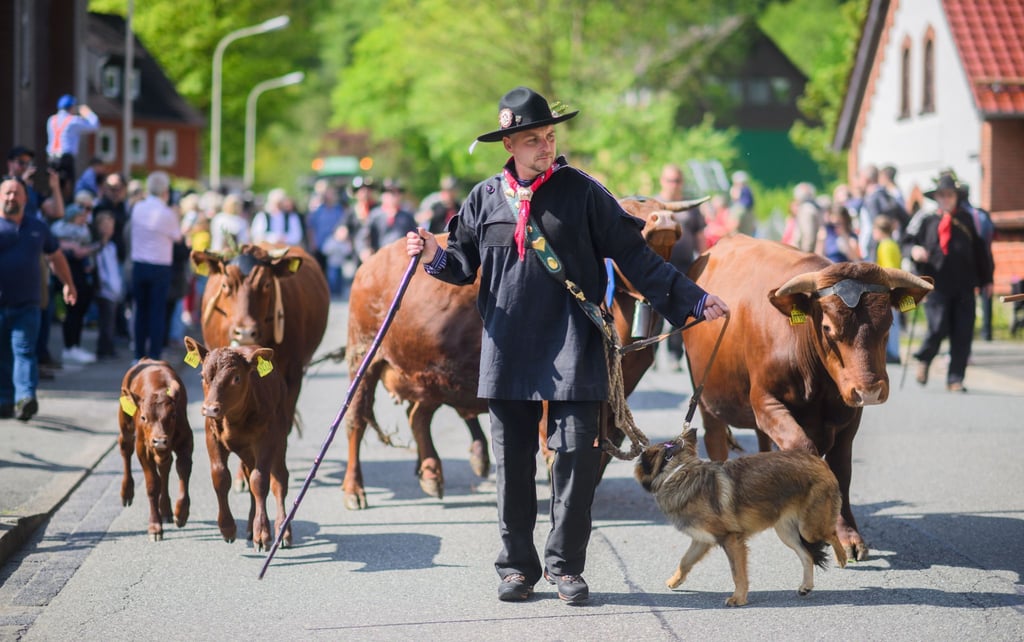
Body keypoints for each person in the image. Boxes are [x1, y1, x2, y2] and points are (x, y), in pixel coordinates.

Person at [405, 86, 729, 604]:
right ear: (509, 144)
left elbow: (636, 257)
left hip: (575, 342)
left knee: (578, 458)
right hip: (507, 346)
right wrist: (429, 254)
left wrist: (693, 300)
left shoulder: (583, 192)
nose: (545, 146)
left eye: (549, 136)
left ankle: (565, 567)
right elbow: (462, 266)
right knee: (512, 464)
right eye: (533, 139)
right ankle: (516, 569)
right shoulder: (485, 198)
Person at [905, 171, 993, 393]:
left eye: (950, 195)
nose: (946, 199)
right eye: (942, 195)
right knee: (937, 327)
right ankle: (924, 359)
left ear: (956, 197)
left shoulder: (967, 219)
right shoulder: (926, 220)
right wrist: (914, 251)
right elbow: (905, 242)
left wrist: (987, 280)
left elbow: (981, 251)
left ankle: (955, 378)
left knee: (963, 332)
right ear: (936, 197)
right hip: (936, 286)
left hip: (964, 285)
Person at [0, 175, 77, 421]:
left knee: (24, 351)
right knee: (2, 354)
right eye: (7, 193)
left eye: (16, 193)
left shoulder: (37, 228)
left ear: (25, 198)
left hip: (27, 304)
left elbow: (56, 257)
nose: (12, 197)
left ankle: (25, 398)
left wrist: (68, 284)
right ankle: (5, 400)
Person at [129, 171, 182, 361]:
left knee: (140, 310)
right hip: (160, 266)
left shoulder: (137, 208)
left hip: (139, 264)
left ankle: (138, 353)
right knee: (157, 312)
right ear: (165, 191)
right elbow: (178, 236)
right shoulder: (167, 213)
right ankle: (155, 353)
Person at [659, 162, 706, 371]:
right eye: (670, 180)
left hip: (685, 268)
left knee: (680, 314)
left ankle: (674, 355)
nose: (674, 184)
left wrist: (704, 260)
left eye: (677, 180)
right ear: (662, 181)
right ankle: (646, 354)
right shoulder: (653, 204)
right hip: (657, 268)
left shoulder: (692, 209)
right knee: (653, 314)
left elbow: (700, 236)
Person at [50, 193, 99, 364]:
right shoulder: (61, 230)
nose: (83, 217)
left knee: (79, 311)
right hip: (69, 274)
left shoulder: (84, 230)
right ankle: (70, 347)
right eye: (80, 214)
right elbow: (75, 251)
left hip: (82, 274)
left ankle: (74, 346)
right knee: (72, 311)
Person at [46, 95, 99, 195]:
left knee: (54, 187)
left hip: (51, 158)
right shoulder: (73, 120)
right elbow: (95, 125)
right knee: (68, 188)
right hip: (66, 158)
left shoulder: (51, 120)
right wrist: (87, 113)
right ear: (71, 107)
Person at [356, 179, 417, 263]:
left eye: (397, 192)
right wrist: (363, 250)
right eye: (389, 192)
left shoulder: (407, 216)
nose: (393, 196)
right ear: (383, 195)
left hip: (402, 260)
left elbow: (416, 236)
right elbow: (362, 237)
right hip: (380, 260)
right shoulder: (375, 215)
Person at [872, 215, 903, 363]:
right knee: (894, 322)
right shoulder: (893, 243)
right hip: (896, 287)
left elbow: (889, 268)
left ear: (879, 230)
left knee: (890, 322)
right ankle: (893, 351)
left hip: (889, 288)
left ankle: (892, 352)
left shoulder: (885, 245)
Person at [92, 211, 122, 359]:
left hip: (114, 290)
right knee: (105, 322)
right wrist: (107, 285)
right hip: (105, 290)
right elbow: (101, 270)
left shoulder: (112, 247)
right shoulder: (98, 247)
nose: (108, 229)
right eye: (104, 226)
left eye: (110, 226)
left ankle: (108, 347)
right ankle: (104, 348)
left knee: (111, 321)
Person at [306, 179, 346, 290]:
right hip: (319, 244)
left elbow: (343, 225)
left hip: (333, 245)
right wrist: (312, 242)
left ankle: (335, 290)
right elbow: (311, 227)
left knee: (334, 269)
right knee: (319, 269)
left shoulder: (339, 210)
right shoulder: (317, 210)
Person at [787, 182, 821, 253]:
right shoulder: (813, 207)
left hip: (804, 253)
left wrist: (805, 254)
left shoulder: (806, 210)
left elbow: (808, 236)